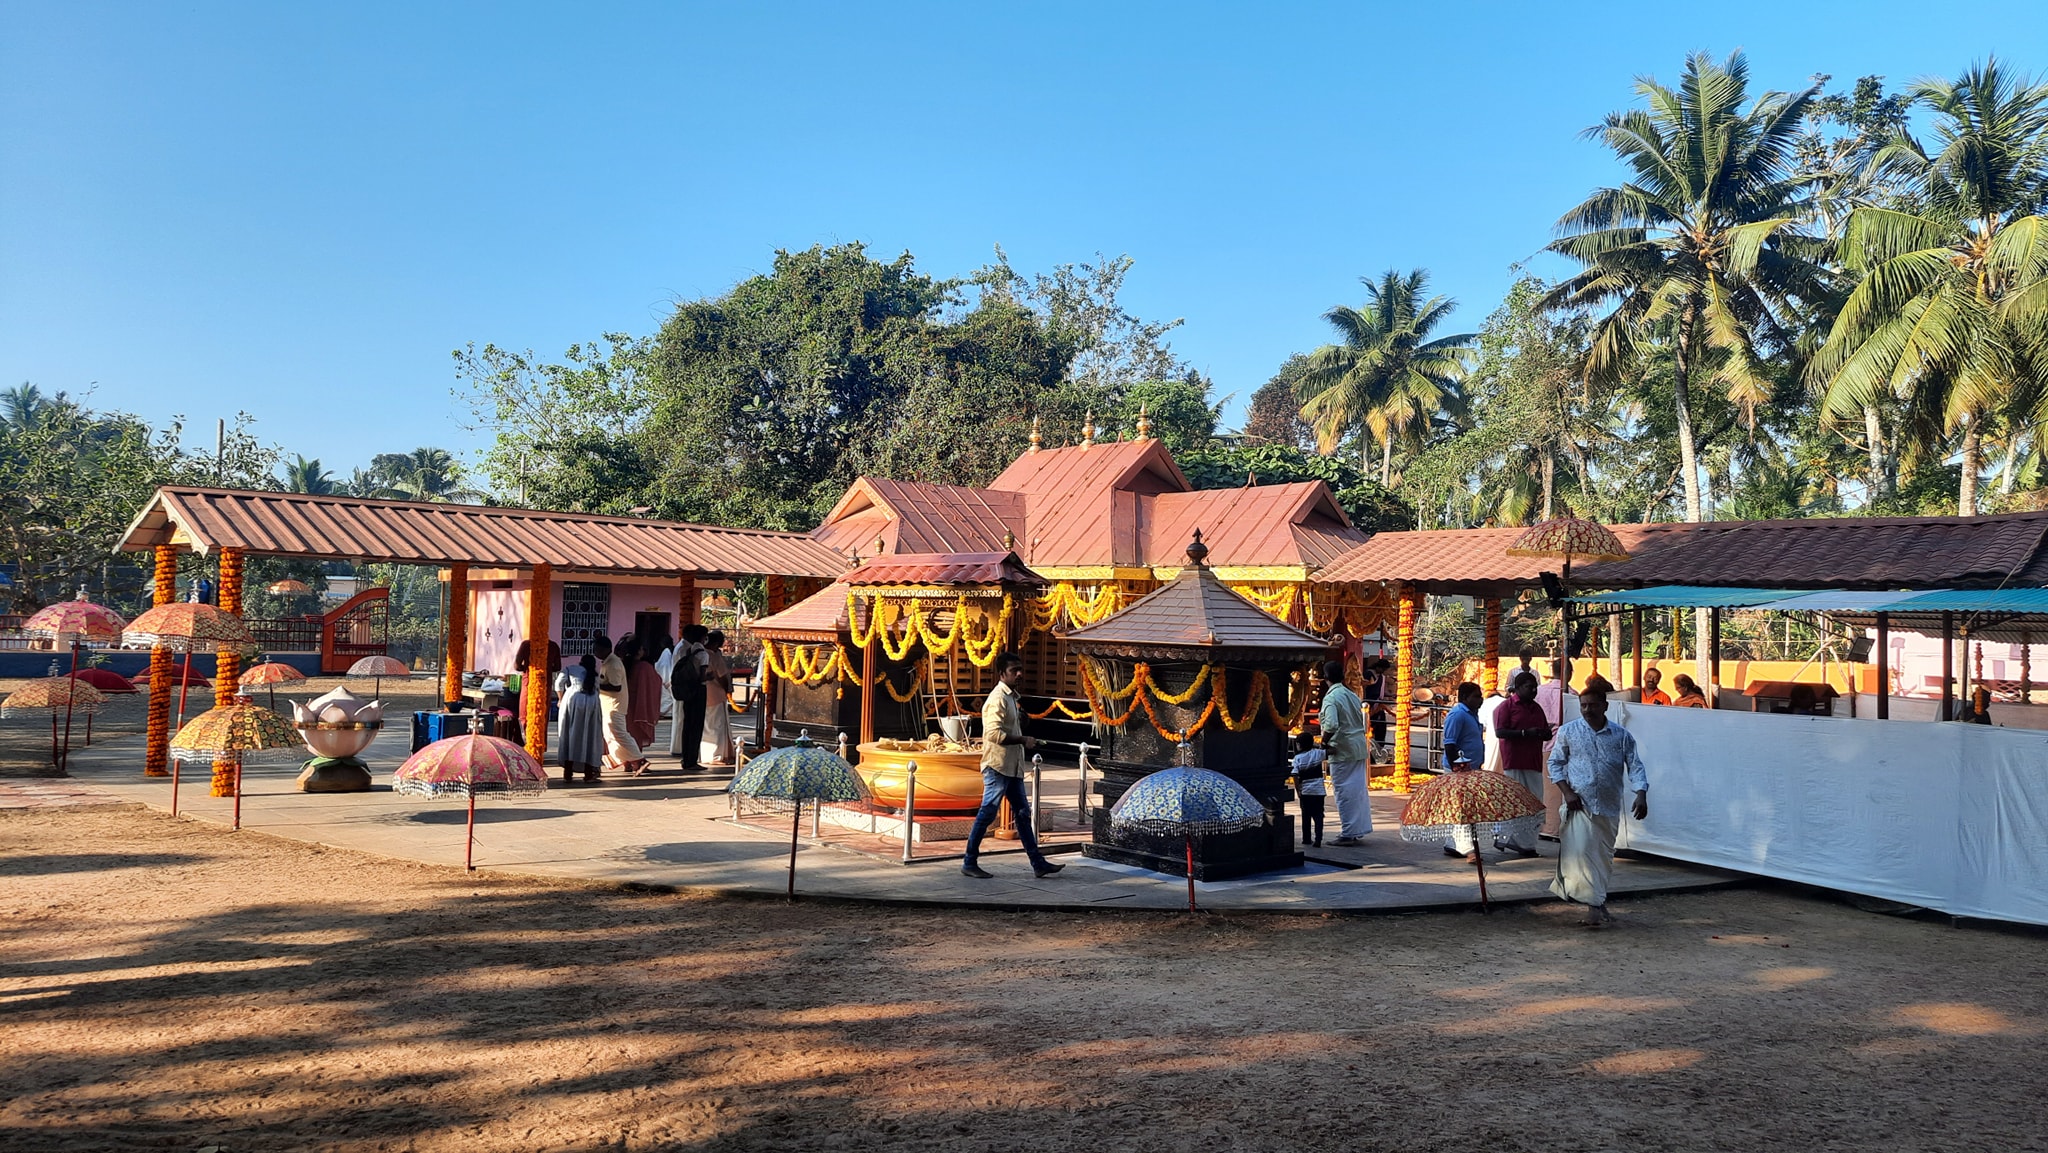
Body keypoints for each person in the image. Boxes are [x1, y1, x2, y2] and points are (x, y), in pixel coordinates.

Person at [1547, 684, 1649, 928]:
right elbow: (1555, 764)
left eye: (1592, 705)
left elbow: (1635, 766)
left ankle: (1598, 901)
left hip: (1609, 806)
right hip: (1579, 806)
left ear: (1605, 706)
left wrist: (1641, 793)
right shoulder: (1568, 732)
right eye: (1583, 705)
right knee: (1582, 854)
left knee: (1602, 858)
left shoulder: (1621, 735)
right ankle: (1594, 907)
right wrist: (1567, 792)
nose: (1587, 710)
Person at [961, 652, 1063, 879]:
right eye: (1013, 670)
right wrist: (1023, 740)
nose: (1019, 674)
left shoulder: (1011, 698)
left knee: (1023, 814)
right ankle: (969, 861)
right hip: (998, 766)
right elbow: (994, 734)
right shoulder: (997, 698)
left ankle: (1038, 863)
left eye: (1020, 669)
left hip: (1012, 767)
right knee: (987, 812)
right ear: (1001, 674)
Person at [1492, 671, 1552, 858]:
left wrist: (1544, 734)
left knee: (1534, 802)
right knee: (1516, 802)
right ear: (1517, 688)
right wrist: (1525, 733)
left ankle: (1527, 843)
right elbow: (1500, 732)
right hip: (1514, 761)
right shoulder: (1507, 707)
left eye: (1535, 687)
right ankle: (1510, 839)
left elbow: (1544, 731)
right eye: (1529, 687)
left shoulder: (1537, 708)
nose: (1534, 690)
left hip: (1533, 762)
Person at [1318, 659, 1373, 845]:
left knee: (1343, 791)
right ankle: (1357, 829)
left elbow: (1332, 724)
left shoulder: (1331, 698)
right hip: (1358, 747)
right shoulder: (1350, 694)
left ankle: (1348, 833)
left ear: (1325, 678)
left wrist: (1324, 742)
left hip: (1342, 749)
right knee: (1357, 791)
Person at [1439, 681, 1487, 863]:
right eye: (1476, 696)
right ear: (1465, 698)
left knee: (1463, 808)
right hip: (1459, 770)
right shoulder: (1457, 715)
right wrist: (1457, 769)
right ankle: (1467, 849)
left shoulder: (1471, 715)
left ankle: (1453, 844)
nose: (1480, 699)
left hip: (1470, 768)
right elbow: (1450, 744)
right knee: (1462, 809)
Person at [593, 634, 647, 775]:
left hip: (614, 706)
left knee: (620, 734)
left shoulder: (613, 664)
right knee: (610, 735)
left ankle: (640, 760)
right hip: (607, 706)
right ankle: (628, 762)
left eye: (597, 648)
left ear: (606, 649)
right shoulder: (607, 662)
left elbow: (616, 687)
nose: (595, 651)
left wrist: (597, 686)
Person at [554, 656, 604, 783]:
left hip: (572, 701)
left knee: (569, 735)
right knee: (589, 737)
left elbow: (558, 684)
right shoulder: (595, 676)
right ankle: (588, 774)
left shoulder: (571, 669)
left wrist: (560, 699)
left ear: (580, 661)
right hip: (592, 703)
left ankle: (568, 773)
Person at [669, 624, 711, 770]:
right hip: (698, 690)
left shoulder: (690, 650)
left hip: (688, 689)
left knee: (687, 725)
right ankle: (691, 760)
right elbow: (702, 676)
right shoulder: (702, 653)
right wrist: (709, 677)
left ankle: (687, 758)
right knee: (696, 725)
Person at [699, 630, 735, 766]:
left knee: (707, 725)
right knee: (717, 725)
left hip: (704, 692)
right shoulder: (713, 655)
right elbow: (721, 676)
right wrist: (727, 688)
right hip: (716, 693)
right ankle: (716, 756)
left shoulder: (701, 653)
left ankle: (708, 754)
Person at [1288, 731, 1327, 848]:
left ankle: (1306, 839)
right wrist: (1324, 744)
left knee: (1306, 815)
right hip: (1319, 791)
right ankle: (1318, 839)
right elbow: (1331, 751)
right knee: (1319, 815)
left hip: (1305, 791)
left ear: (1299, 745)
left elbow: (1295, 775)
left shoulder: (1297, 758)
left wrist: (1298, 790)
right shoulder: (1318, 753)